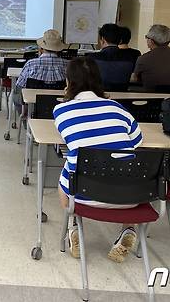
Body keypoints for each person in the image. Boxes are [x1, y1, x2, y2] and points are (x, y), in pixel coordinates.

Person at [53, 56, 143, 263]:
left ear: (69, 81)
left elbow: (69, 139)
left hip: (84, 195)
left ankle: (72, 226)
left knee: (66, 173)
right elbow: (137, 141)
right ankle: (128, 229)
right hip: (132, 196)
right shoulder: (117, 107)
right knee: (127, 166)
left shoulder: (61, 110)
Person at [13, 29, 68, 110]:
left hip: (33, 106)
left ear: (41, 49)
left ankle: (24, 118)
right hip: (59, 106)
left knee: (16, 95)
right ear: (59, 49)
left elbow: (19, 85)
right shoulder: (68, 65)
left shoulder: (31, 64)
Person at [131, 24, 170, 89]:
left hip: (150, 97)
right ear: (168, 41)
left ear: (151, 41)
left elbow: (134, 81)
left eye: (147, 37)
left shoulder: (143, 59)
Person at [86, 24, 135, 91]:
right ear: (120, 40)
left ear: (103, 39)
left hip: (99, 98)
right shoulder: (130, 59)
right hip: (122, 99)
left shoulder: (91, 59)